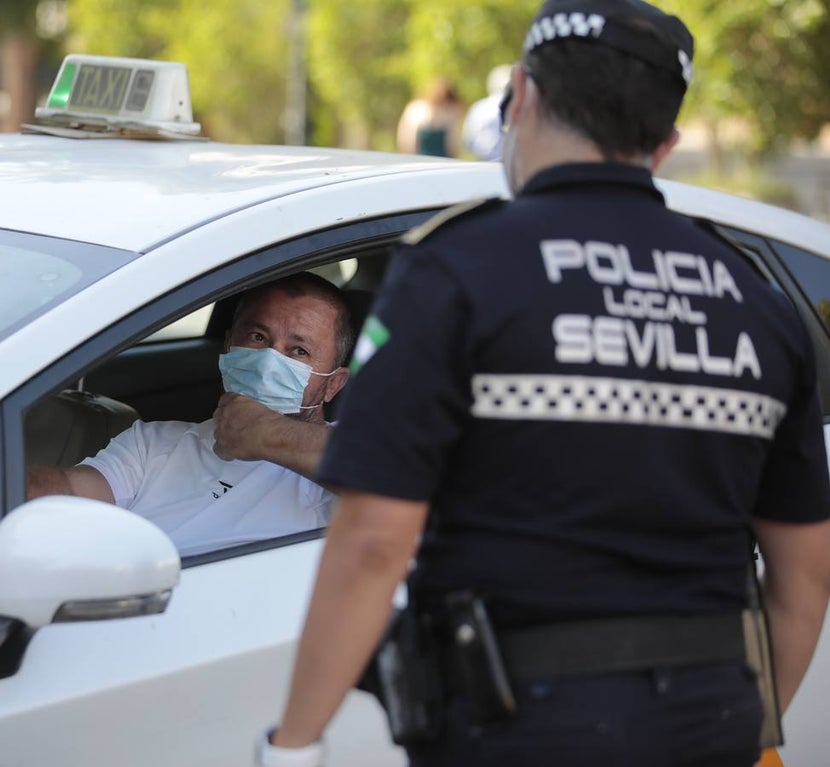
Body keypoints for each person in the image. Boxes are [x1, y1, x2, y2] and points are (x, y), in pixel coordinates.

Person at [258, 2, 830, 766]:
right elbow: (805, 575)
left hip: (518, 726)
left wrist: (292, 746)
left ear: (520, 95)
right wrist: (741, 730)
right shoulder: (754, 299)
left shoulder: (454, 272)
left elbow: (372, 543)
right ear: (665, 142)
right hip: (712, 720)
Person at [26, 272, 353, 557]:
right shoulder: (153, 442)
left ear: (333, 384)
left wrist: (266, 433)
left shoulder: (340, 470)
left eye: (299, 351)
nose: (269, 359)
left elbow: (392, 471)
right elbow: (71, 495)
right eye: (257, 337)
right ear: (228, 346)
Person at [395, 77, 466, 158]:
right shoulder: (417, 110)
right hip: (419, 159)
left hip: (443, 160)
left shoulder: (449, 112)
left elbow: (453, 144)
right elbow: (408, 139)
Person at [461, 63, 513, 161]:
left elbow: (468, 141)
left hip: (482, 164)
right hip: (509, 164)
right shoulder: (518, 106)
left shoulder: (478, 108)